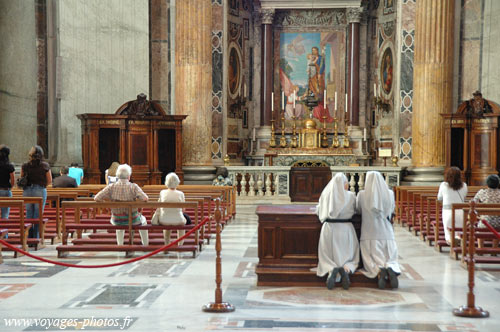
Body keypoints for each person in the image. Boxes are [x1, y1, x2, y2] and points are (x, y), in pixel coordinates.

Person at [315, 173, 359, 290]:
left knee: (327, 255)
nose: (347, 186)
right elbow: (356, 210)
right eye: (346, 184)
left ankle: (331, 269)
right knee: (350, 256)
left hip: (329, 228)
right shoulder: (351, 196)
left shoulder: (326, 194)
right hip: (346, 228)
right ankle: (346, 269)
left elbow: (319, 211)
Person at [357, 171, 400, 289]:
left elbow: (358, 210)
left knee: (370, 258)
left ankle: (379, 271)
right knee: (389, 256)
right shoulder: (390, 193)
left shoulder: (361, 194)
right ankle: (391, 267)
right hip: (386, 231)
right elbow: (391, 210)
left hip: (369, 231)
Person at [94, 164, 149, 246]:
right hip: (132, 219)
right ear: (129, 176)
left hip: (116, 219)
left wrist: (108, 205)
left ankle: (120, 245)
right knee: (143, 221)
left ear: (117, 176)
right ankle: (145, 245)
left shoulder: (111, 186)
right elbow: (145, 198)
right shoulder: (133, 187)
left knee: (119, 221)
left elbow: (97, 198)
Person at [151, 172, 191, 246]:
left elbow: (159, 206)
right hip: (178, 220)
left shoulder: (162, 192)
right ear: (177, 182)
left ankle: (167, 244)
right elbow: (183, 210)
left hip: (164, 220)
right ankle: (180, 244)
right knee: (182, 224)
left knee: (167, 220)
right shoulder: (181, 194)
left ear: (166, 182)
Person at [21, 145, 52, 238]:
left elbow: (21, 178)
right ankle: (36, 237)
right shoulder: (44, 165)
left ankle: (29, 237)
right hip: (39, 190)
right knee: (38, 214)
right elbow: (49, 180)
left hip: (27, 191)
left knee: (29, 213)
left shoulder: (25, 165)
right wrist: (42, 186)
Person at [437, 167, 468, 244]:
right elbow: (464, 197)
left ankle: (450, 241)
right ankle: (457, 239)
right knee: (459, 230)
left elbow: (439, 198)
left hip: (448, 211)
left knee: (448, 231)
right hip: (460, 211)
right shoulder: (464, 185)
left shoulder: (443, 185)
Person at [0, 145, 15, 219]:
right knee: (5, 214)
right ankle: (3, 229)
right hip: (5, 190)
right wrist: (10, 187)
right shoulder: (9, 166)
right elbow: (13, 180)